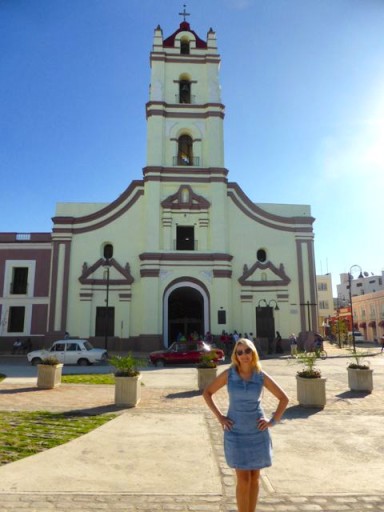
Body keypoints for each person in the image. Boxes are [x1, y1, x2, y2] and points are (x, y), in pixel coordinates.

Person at [203, 338, 289, 512]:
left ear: (253, 353)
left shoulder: (260, 375)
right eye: (239, 352)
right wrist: (220, 418)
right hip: (235, 432)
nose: (244, 355)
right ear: (235, 355)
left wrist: (272, 421)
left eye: (247, 351)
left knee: (254, 478)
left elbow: (284, 398)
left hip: (257, 432)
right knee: (243, 480)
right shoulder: (230, 374)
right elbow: (207, 393)